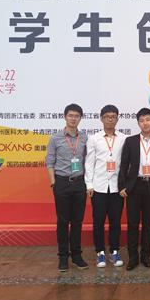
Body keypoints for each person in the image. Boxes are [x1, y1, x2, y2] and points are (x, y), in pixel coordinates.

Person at [46, 103, 89, 272]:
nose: (73, 119)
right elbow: (50, 162)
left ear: (80, 118)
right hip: (62, 183)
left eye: (76, 116)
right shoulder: (55, 138)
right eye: (70, 115)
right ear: (65, 117)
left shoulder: (84, 138)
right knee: (63, 222)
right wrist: (54, 183)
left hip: (79, 183)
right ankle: (63, 257)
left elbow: (88, 160)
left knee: (77, 221)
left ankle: (77, 256)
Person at [118, 108, 150, 270]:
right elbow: (123, 164)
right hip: (134, 186)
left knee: (148, 224)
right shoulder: (130, 141)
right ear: (138, 123)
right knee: (132, 223)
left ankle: (145, 256)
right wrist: (122, 185)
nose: (145, 123)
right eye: (141, 120)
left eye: (148, 120)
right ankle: (133, 257)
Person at [85, 105, 128, 268]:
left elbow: (126, 164)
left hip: (117, 188)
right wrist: (89, 184)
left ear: (117, 119)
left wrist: (125, 185)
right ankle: (100, 253)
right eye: (107, 116)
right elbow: (89, 163)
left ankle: (114, 251)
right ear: (101, 118)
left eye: (113, 116)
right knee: (98, 221)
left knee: (116, 222)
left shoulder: (124, 138)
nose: (110, 119)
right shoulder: (94, 138)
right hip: (99, 187)